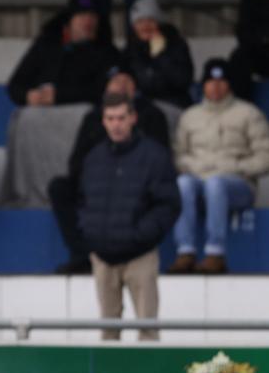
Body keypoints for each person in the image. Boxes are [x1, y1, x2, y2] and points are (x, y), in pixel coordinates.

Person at [78, 92, 179, 340]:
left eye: (121, 118)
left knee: (148, 331)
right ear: (103, 121)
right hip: (103, 258)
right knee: (108, 333)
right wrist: (92, 237)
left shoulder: (154, 156)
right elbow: (82, 202)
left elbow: (169, 204)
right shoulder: (94, 158)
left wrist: (140, 236)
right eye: (110, 118)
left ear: (133, 118)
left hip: (140, 256)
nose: (116, 124)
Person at [49, 66, 170, 274]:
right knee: (59, 187)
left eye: (126, 82)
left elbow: (161, 163)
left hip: (135, 185)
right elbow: (77, 162)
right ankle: (83, 256)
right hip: (96, 184)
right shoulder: (93, 117)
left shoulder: (152, 115)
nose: (120, 87)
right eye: (115, 83)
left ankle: (130, 253)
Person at [169, 58, 269, 274]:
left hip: (238, 184)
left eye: (221, 81)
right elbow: (178, 155)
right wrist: (196, 166)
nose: (215, 86)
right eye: (211, 81)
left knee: (216, 183)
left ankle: (215, 253)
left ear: (229, 84)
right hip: (198, 180)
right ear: (203, 84)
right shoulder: (190, 116)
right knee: (182, 183)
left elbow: (265, 156)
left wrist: (236, 166)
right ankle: (185, 252)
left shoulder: (248, 113)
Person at [7, 0, 120, 107]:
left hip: (83, 115)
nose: (88, 21)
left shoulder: (107, 52)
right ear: (69, 20)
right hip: (40, 112)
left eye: (92, 16)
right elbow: (15, 86)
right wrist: (29, 95)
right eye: (81, 15)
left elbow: (105, 90)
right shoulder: (46, 44)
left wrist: (59, 95)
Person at [123, 0, 194, 110]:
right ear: (133, 26)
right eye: (140, 21)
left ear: (159, 23)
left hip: (173, 105)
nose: (145, 26)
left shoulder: (175, 44)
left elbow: (182, 81)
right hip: (141, 108)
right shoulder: (130, 51)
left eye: (150, 20)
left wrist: (160, 55)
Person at [229, 0, 269, 101]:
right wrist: (263, 38)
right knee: (239, 58)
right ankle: (239, 105)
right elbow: (244, 29)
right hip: (260, 51)